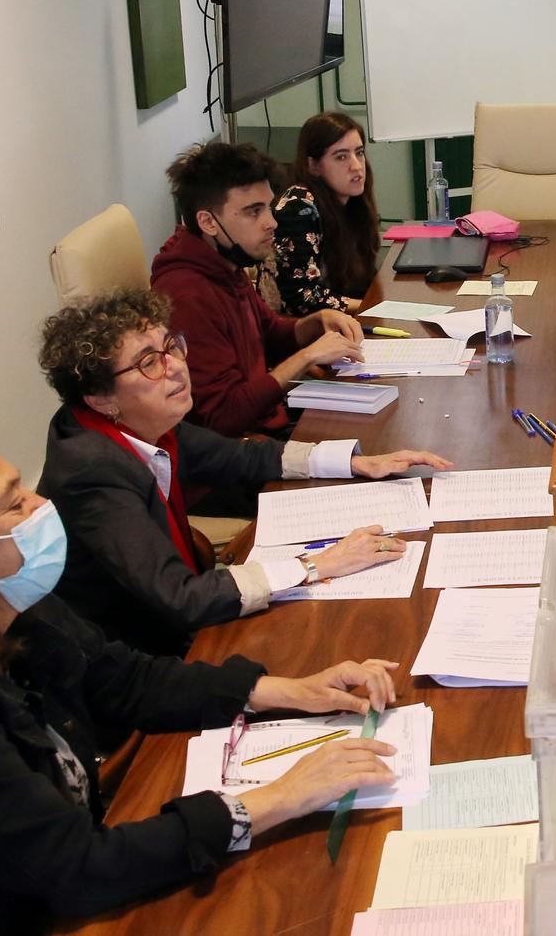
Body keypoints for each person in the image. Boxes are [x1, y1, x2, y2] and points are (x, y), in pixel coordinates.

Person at [0, 426, 405, 933]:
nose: (41, 505)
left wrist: (289, 690)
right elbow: (75, 866)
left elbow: (126, 680)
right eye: (15, 505)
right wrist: (279, 798)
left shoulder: (8, 605)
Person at [37, 288, 450, 661]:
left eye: (170, 348)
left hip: (176, 631)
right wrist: (317, 565)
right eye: (149, 363)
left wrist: (356, 462)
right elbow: (178, 598)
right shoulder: (91, 472)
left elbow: (239, 457)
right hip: (140, 663)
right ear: (101, 398)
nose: (176, 367)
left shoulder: (141, 423)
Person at [152, 140, 365, 438]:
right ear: (208, 222)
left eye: (267, 206)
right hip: (245, 450)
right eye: (254, 212)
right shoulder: (187, 296)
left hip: (267, 427)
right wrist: (305, 358)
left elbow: (268, 333)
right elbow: (222, 417)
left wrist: (317, 322)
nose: (271, 222)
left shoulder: (224, 261)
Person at [269, 112, 382, 316]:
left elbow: (359, 280)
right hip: (304, 330)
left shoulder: (353, 201)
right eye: (341, 157)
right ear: (313, 166)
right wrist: (372, 306)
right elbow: (301, 297)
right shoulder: (299, 208)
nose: (356, 166)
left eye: (359, 152)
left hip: (340, 322)